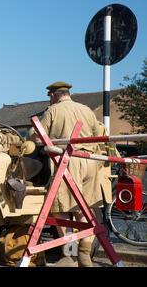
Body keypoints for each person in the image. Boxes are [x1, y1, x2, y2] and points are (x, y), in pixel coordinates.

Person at [31, 81, 103, 267]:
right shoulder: (87, 110)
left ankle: (68, 256)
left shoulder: (53, 111)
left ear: (54, 95)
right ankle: (85, 256)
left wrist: (31, 139)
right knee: (84, 209)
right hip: (90, 161)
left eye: (50, 97)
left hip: (67, 162)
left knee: (60, 209)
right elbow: (99, 133)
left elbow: (37, 137)